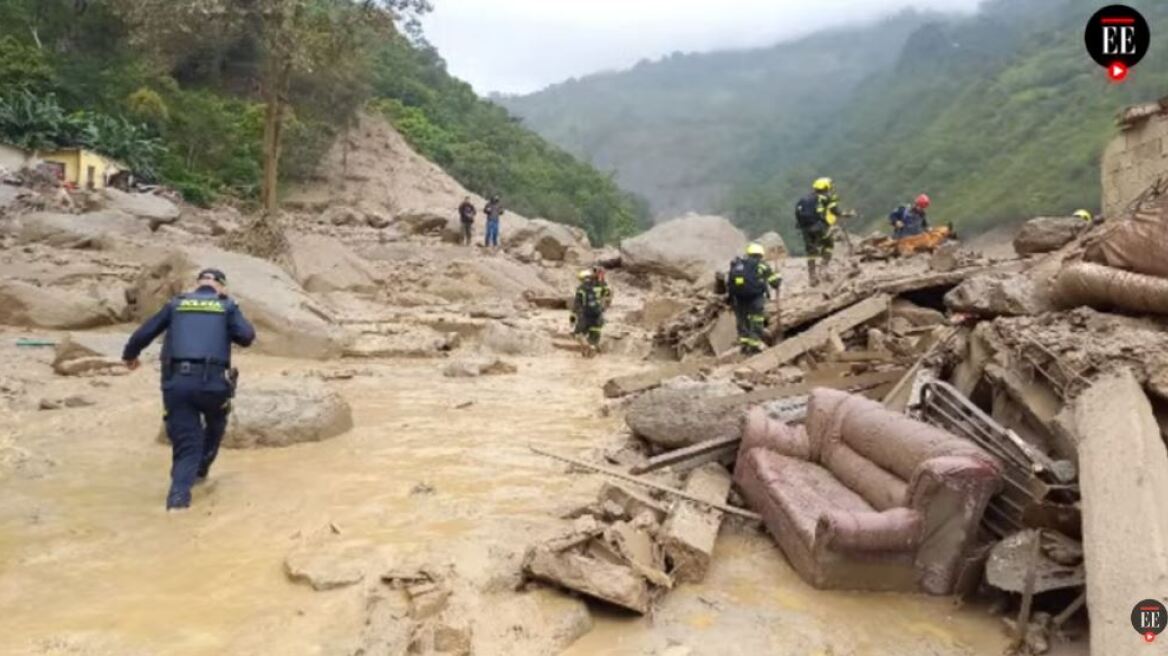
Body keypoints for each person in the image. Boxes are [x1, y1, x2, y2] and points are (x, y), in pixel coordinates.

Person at [122, 268, 256, 511]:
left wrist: (130, 356)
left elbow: (144, 333)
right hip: (213, 384)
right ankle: (202, 472)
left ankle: (177, 502)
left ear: (198, 285)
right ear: (221, 286)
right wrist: (232, 310)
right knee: (217, 422)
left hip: (177, 384)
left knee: (187, 445)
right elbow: (246, 337)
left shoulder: (176, 304)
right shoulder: (226, 305)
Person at [726, 243, 782, 355]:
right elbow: (774, 282)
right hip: (755, 298)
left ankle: (744, 344)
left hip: (739, 298)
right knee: (756, 319)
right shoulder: (762, 265)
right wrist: (778, 277)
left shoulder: (738, 264)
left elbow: (729, 282)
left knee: (742, 320)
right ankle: (755, 344)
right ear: (760, 254)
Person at [795, 177, 842, 286]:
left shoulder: (804, 199)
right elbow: (835, 211)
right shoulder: (826, 198)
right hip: (818, 227)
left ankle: (812, 277)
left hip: (805, 229)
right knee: (829, 244)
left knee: (811, 252)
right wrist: (844, 214)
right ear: (826, 187)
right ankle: (824, 268)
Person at [571, 269, 610, 356]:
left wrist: (573, 317)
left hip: (585, 315)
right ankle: (592, 349)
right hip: (597, 315)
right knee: (594, 336)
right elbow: (607, 294)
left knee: (577, 334)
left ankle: (586, 348)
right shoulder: (600, 286)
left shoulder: (581, 288)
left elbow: (576, 303)